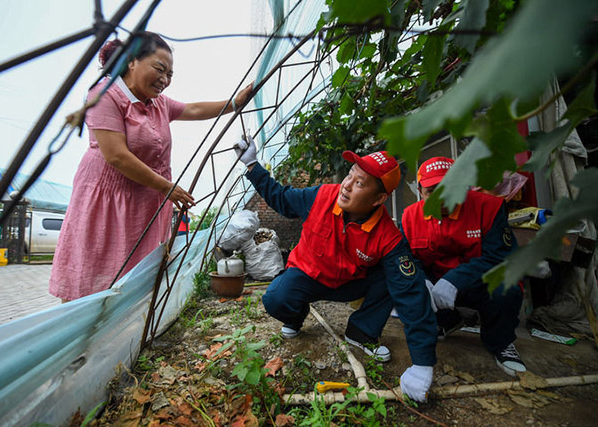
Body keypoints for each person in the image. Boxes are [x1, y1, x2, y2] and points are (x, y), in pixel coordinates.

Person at [49, 32, 252, 302]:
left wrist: (235, 103)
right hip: (107, 200)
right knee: (94, 272)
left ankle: (123, 333)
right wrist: (168, 188)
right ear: (132, 61)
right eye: (159, 69)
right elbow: (117, 156)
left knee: (134, 277)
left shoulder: (158, 104)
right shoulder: (105, 94)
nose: (165, 80)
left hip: (144, 201)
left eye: (170, 74)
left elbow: (192, 109)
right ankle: (80, 334)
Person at [234, 136, 437, 402]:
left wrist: (423, 363)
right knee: (275, 299)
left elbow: (410, 293)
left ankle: (361, 332)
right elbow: (283, 199)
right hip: (307, 275)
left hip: (349, 284)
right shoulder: (322, 196)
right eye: (350, 176)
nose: (347, 186)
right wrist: (252, 165)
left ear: (379, 199)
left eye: (360, 183)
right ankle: (295, 316)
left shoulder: (388, 236)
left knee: (395, 278)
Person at [401, 157, 526, 376]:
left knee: (507, 286)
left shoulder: (489, 207)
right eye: (431, 191)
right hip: (436, 284)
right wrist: (422, 282)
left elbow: (502, 256)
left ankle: (501, 342)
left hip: (480, 282)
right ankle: (446, 321)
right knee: (405, 280)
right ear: (419, 191)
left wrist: (456, 280)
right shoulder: (409, 216)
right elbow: (406, 260)